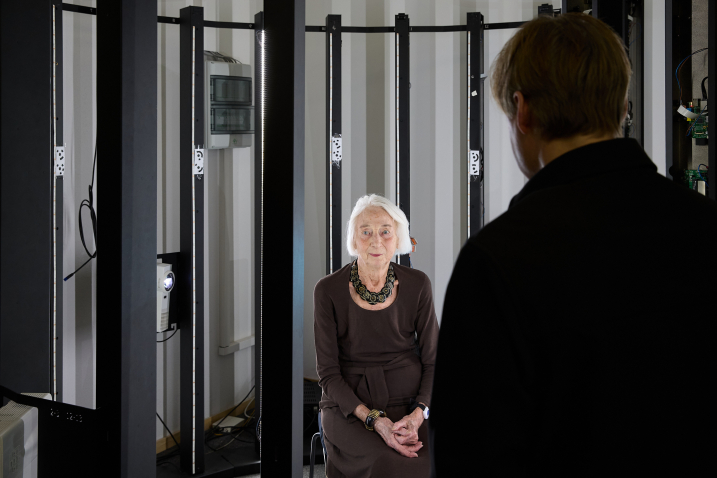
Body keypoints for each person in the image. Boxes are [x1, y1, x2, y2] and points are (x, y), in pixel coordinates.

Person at [430, 12, 717, 476]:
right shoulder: (706, 227)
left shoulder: (497, 260)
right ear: (622, 106)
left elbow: (472, 455)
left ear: (522, 112)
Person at [314, 194, 438, 478]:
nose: (376, 240)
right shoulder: (327, 290)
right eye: (365, 231)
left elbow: (433, 362)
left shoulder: (418, 284)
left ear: (399, 239)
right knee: (388, 464)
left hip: (410, 405)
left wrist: (418, 415)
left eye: (385, 231)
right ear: (354, 239)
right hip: (351, 409)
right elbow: (328, 375)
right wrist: (376, 421)